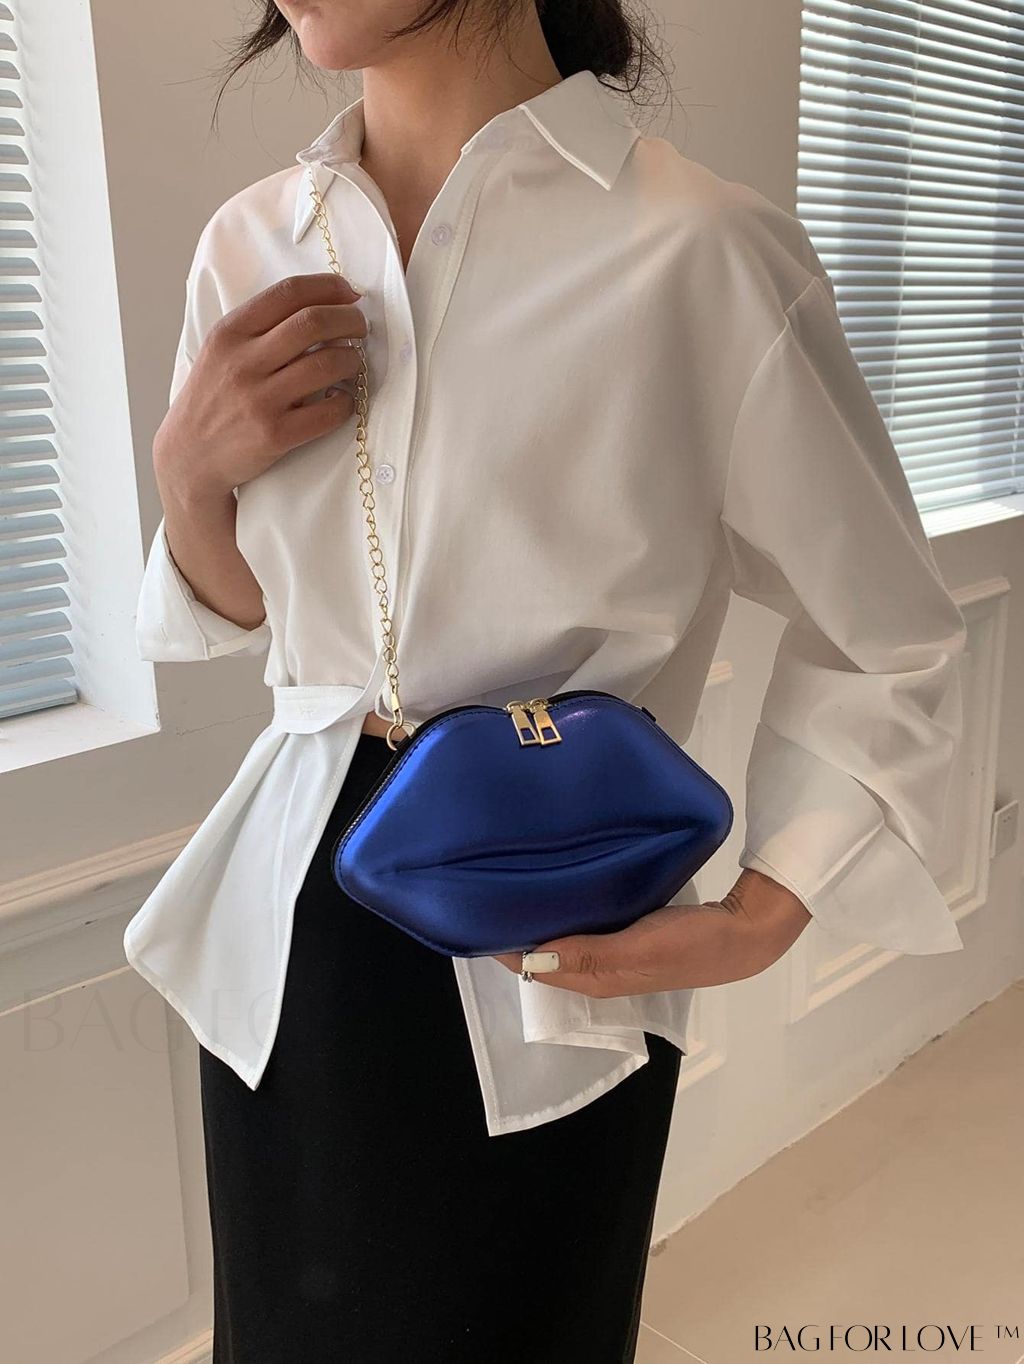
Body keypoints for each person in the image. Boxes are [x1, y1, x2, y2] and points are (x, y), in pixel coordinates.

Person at [122, 1, 968, 1360]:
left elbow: (890, 629)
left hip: (550, 936)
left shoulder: (696, 248)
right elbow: (245, 618)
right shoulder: (253, 241)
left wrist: (765, 912)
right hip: (290, 931)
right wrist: (188, 477)